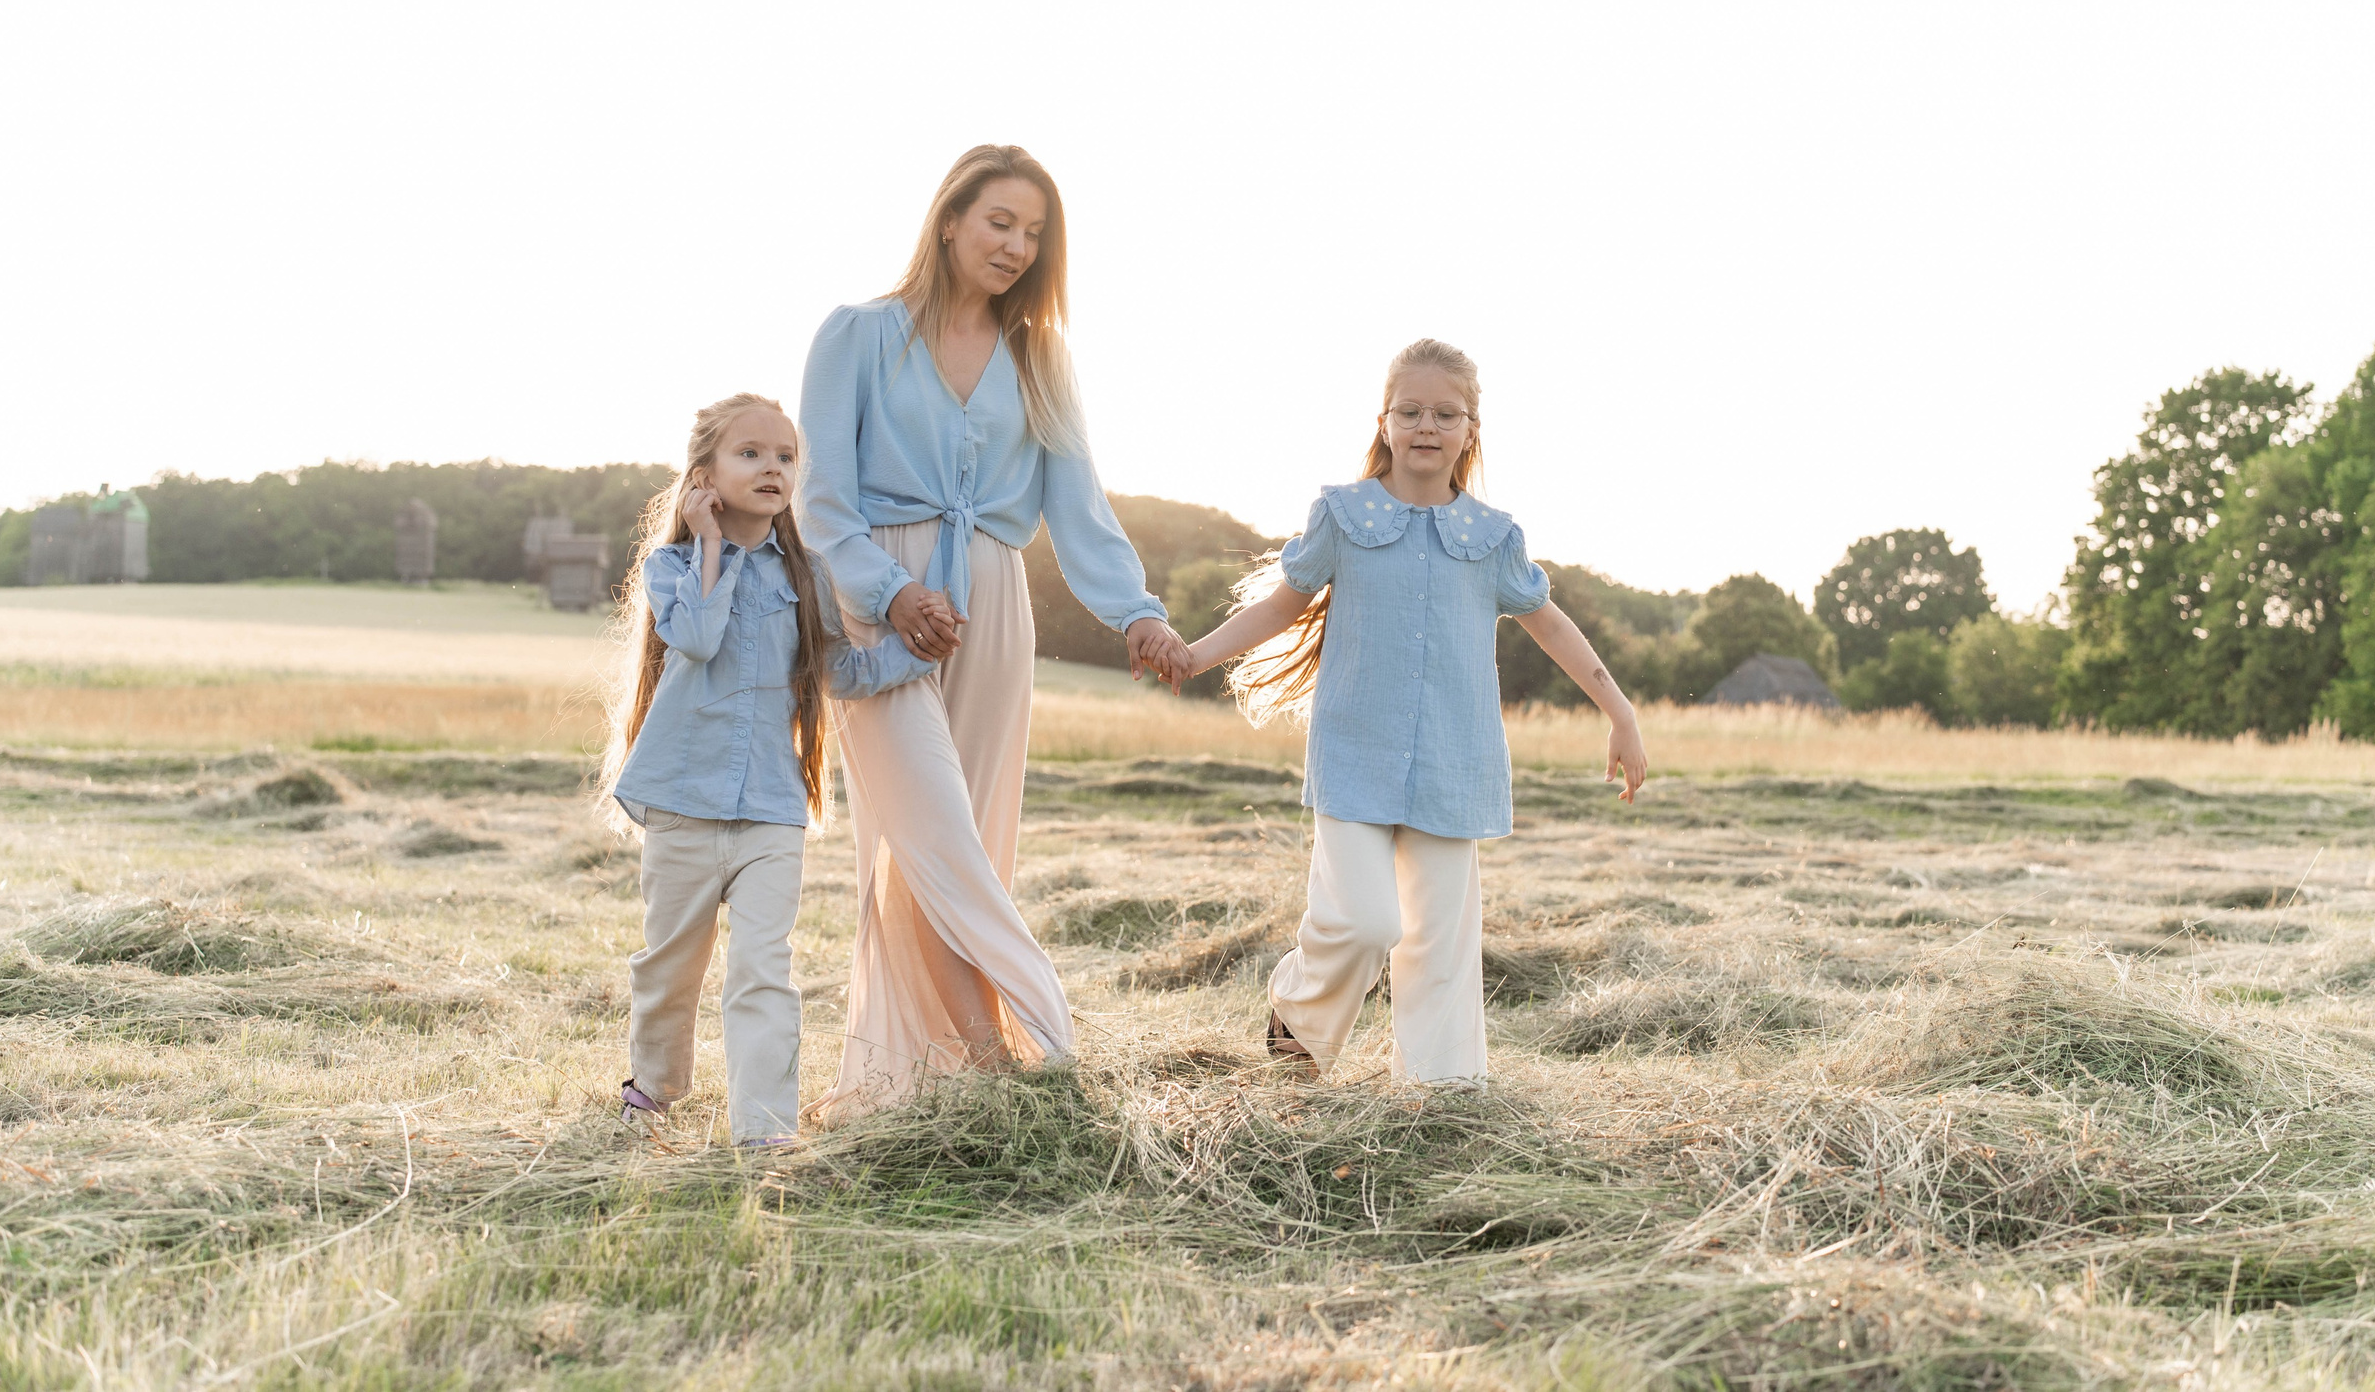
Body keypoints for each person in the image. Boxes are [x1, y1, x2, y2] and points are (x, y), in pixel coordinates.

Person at [797, 144, 1192, 1114]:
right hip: (875, 615)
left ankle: (929, 1082)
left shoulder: (1039, 356)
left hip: (992, 610)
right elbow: (820, 502)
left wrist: (1134, 614)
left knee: (966, 835)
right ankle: (1022, 1052)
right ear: (948, 221)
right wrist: (890, 594)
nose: (1017, 246)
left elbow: (1078, 504)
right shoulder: (855, 335)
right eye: (999, 222)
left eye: (1035, 233)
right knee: (927, 835)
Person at [1183, 339, 1647, 1086]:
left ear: (1471, 429)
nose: (1426, 425)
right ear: (1384, 421)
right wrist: (1194, 654)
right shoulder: (1343, 513)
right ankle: (1296, 1028)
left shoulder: (1493, 538)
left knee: (1440, 947)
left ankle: (1440, 1099)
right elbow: (1280, 603)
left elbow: (1552, 624)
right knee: (1367, 923)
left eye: (1445, 412)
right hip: (1355, 757)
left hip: (1452, 765)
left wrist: (1619, 711)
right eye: (1410, 410)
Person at [603, 394, 933, 1146]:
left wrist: (916, 650)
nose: (773, 468)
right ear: (704, 476)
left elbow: (838, 672)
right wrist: (709, 541)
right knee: (670, 969)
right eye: (750, 453)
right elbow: (696, 633)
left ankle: (764, 1129)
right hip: (684, 806)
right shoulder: (673, 567)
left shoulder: (808, 575)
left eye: (785, 456)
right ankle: (653, 1090)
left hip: (771, 810)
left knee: (764, 969)